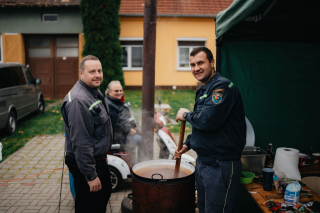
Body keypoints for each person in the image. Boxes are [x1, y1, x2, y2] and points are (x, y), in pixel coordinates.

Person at [174, 47, 246, 213]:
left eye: (200, 63)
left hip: (220, 165)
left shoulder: (222, 87)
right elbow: (203, 127)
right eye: (192, 64)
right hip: (204, 163)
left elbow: (207, 120)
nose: (196, 68)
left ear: (212, 62)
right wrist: (188, 143)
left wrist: (185, 114)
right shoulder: (204, 89)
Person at [61, 55, 112, 213]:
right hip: (87, 165)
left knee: (101, 200)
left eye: (99, 70)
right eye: (92, 71)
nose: (97, 74)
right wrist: (91, 176)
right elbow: (81, 143)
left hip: (96, 159)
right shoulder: (78, 101)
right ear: (81, 74)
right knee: (89, 207)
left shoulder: (92, 92)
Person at [105, 81, 141, 164]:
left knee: (145, 132)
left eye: (120, 90)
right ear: (109, 92)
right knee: (142, 140)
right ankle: (141, 162)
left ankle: (136, 161)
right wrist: (129, 131)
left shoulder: (118, 101)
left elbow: (125, 117)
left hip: (123, 132)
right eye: (116, 91)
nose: (119, 93)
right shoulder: (109, 105)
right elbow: (114, 125)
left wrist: (135, 126)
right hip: (117, 137)